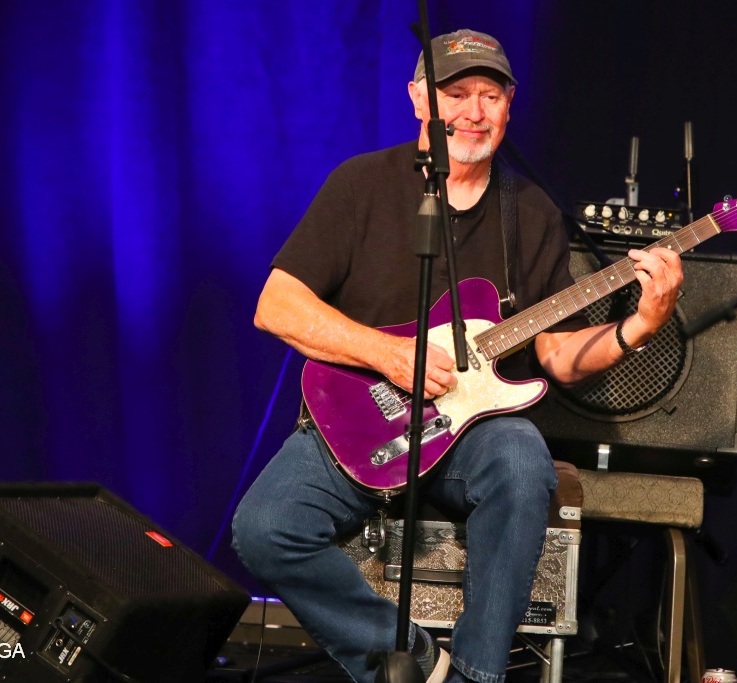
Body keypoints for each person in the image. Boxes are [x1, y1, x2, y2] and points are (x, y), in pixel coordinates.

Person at [232, 28, 683, 683]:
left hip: (471, 431)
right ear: (419, 99)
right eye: (457, 93)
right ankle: (420, 663)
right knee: (264, 528)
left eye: (490, 96)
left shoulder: (531, 212)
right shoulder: (361, 185)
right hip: (359, 419)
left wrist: (640, 325)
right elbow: (276, 305)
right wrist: (387, 353)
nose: (474, 111)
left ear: (509, 107)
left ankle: (476, 675)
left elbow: (557, 354)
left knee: (523, 459)